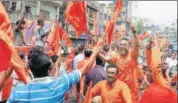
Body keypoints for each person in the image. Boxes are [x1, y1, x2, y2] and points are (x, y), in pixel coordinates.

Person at [6, 42, 101, 103]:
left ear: (30, 69)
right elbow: (85, 68)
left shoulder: (18, 90)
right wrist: (95, 53)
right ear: (49, 71)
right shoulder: (61, 83)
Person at [98, 25, 139, 103]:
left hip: (131, 94)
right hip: (119, 93)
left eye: (125, 45)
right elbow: (106, 59)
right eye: (121, 44)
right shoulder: (116, 57)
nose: (123, 46)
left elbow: (136, 45)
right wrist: (96, 52)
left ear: (129, 46)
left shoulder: (133, 56)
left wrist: (134, 33)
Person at [139, 35, 177, 103]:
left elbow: (155, 68)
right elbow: (151, 65)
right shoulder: (161, 78)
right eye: (161, 59)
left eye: (162, 59)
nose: (163, 62)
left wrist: (155, 45)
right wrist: (148, 49)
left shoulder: (165, 82)